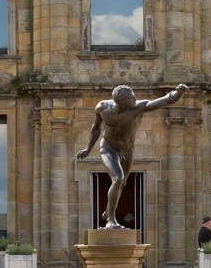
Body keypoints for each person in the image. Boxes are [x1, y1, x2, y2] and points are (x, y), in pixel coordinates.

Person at [76, 83, 189, 228]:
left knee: (122, 183)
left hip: (128, 150)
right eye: (130, 101)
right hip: (108, 148)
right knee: (118, 178)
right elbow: (96, 129)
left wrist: (178, 93)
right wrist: (88, 148)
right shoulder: (103, 108)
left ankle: (107, 211)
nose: (134, 101)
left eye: (134, 98)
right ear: (120, 103)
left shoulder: (138, 107)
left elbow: (164, 101)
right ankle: (111, 220)